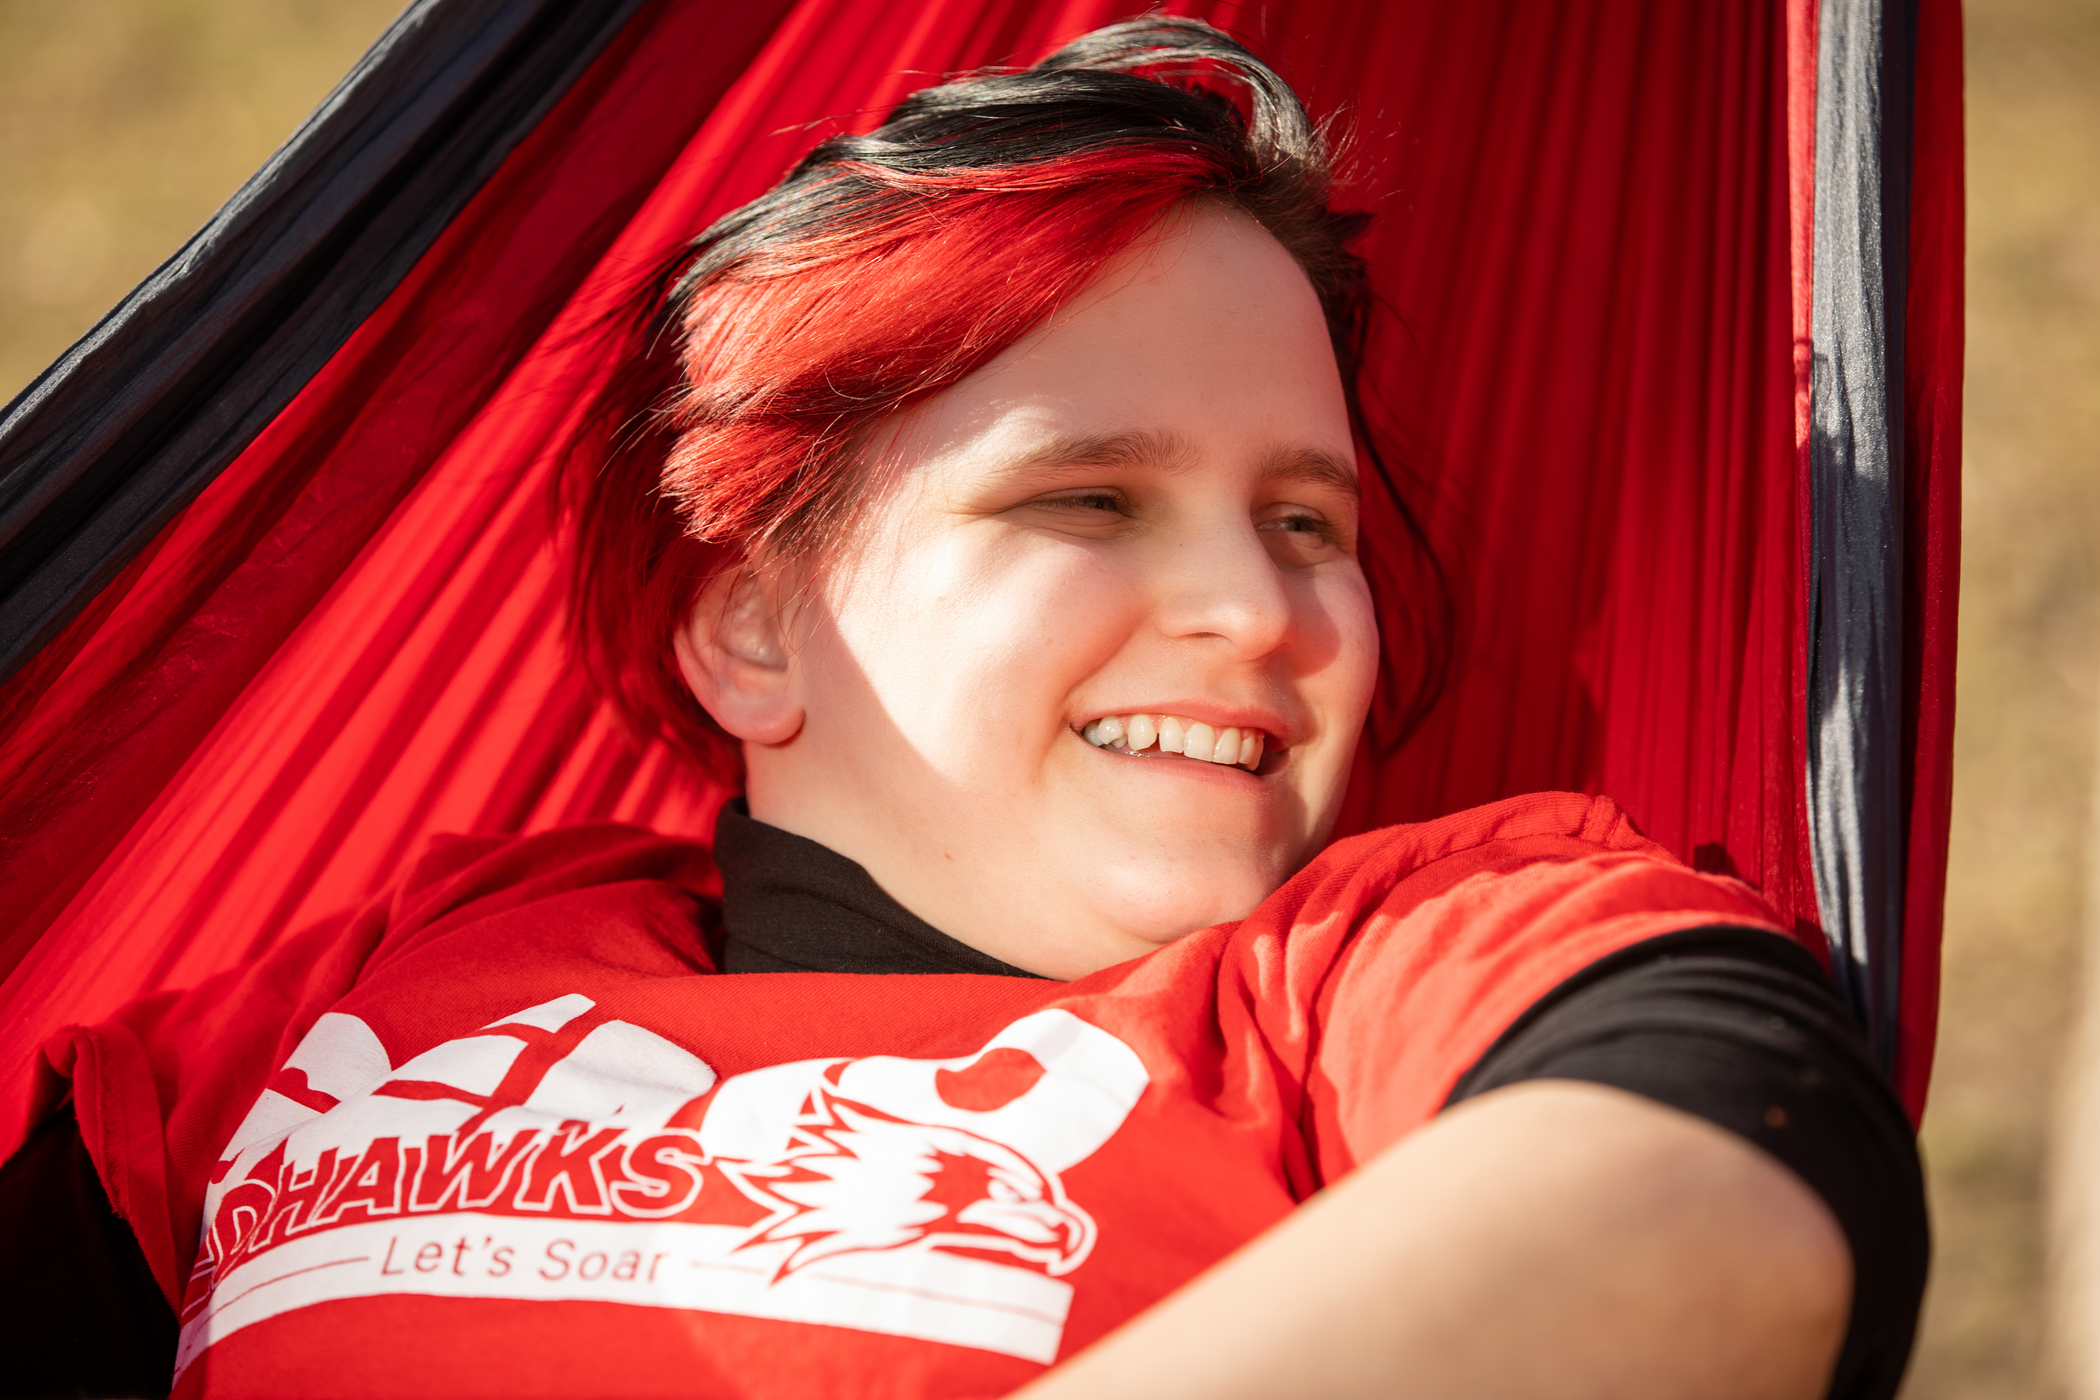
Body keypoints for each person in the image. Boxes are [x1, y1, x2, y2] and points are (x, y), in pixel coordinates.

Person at [0, 18, 1924, 1400]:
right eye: (1087, 497)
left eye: (1305, 521)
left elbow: (1730, 1206)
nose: (1257, 609)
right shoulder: (360, 1000)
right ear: (753, 623)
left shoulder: (1390, 970)